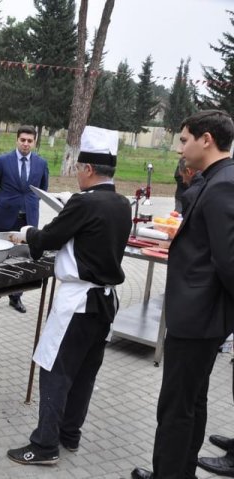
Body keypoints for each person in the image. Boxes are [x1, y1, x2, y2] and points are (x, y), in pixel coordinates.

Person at [6, 126, 131, 466]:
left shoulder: (83, 202)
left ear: (88, 169)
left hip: (78, 303)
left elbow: (50, 238)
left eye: (78, 168)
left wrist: (27, 233)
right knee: (85, 373)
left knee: (56, 372)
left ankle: (45, 446)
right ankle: (69, 435)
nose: (76, 174)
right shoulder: (122, 203)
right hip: (105, 303)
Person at [131, 110, 234, 479]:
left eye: (185, 139)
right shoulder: (216, 178)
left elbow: (228, 261)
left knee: (176, 407)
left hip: (198, 318)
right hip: (202, 316)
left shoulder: (223, 183)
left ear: (207, 140)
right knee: (192, 400)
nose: (180, 147)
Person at [0, 125, 49, 315]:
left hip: (28, 219)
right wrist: (5, 202)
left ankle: (16, 297)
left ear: (35, 142)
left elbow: (42, 190)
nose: (25, 143)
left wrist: (29, 204)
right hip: (5, 217)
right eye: (23, 140)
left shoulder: (41, 163)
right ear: (17, 140)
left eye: (29, 141)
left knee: (23, 257)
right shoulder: (3, 161)